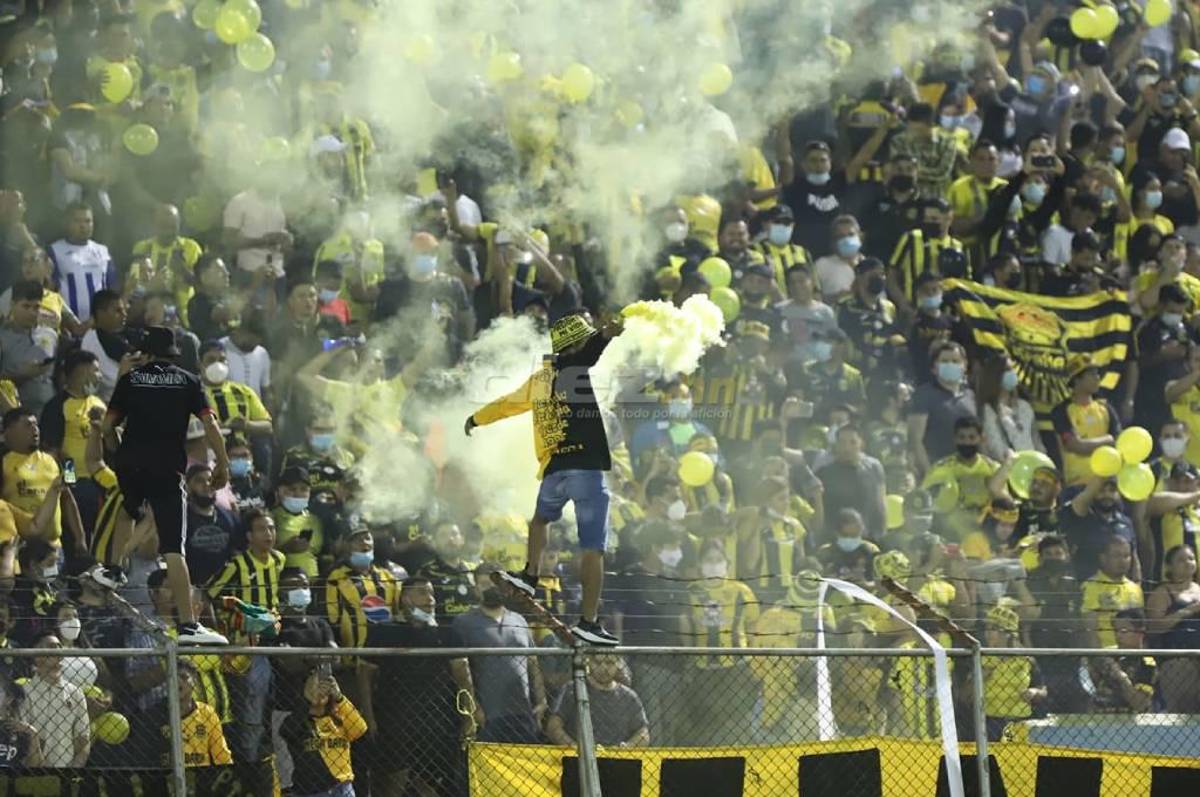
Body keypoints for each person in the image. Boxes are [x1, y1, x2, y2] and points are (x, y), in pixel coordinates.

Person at [466, 311, 624, 645]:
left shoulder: (539, 380)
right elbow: (588, 354)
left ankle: (530, 574)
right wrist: (606, 336)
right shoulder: (574, 368)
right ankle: (589, 621)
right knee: (593, 549)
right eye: (583, 338)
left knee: (540, 521)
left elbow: (507, 404)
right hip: (585, 469)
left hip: (555, 469)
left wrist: (477, 418)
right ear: (575, 345)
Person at [96, 326, 230, 644]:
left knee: (129, 508)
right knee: (173, 547)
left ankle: (113, 569)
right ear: (174, 353)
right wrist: (221, 463)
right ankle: (187, 625)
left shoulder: (130, 379)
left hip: (131, 462)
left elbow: (107, 425)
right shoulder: (188, 381)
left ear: (147, 351)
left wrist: (117, 447)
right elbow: (210, 423)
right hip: (166, 468)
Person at [358, 577, 473, 797]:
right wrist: (368, 715)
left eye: (431, 593)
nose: (430, 599)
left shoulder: (447, 634)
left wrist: (469, 715)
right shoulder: (385, 632)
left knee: (436, 784)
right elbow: (364, 675)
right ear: (406, 598)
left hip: (438, 721)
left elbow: (463, 678)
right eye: (422, 593)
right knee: (391, 783)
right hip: (393, 721)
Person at [450, 563, 547, 744]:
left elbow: (533, 663)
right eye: (485, 584)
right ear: (476, 589)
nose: (491, 589)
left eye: (496, 584)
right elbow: (460, 672)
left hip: (523, 714)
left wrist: (541, 701)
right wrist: (473, 709)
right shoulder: (463, 623)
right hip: (487, 717)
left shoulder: (519, 620)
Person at [281, 671, 367, 797]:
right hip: (313, 790)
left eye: (323, 685)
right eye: (314, 687)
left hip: (343, 786)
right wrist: (308, 701)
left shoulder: (340, 716)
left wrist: (340, 697)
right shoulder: (299, 722)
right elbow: (287, 731)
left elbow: (360, 729)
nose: (320, 690)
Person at [545, 653, 649, 748]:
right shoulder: (572, 689)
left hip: (617, 761)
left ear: (618, 664)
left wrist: (627, 747)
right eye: (598, 662)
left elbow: (643, 733)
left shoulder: (629, 697)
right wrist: (575, 748)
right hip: (577, 761)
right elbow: (553, 728)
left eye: (609, 663)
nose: (603, 668)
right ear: (588, 662)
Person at [18, 633, 90, 767]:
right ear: (37, 657)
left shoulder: (75, 693)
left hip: (68, 772)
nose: (58, 653)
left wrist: (71, 773)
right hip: (32, 771)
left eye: (59, 647)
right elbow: (24, 741)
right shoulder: (24, 692)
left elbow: (83, 740)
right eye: (52, 648)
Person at [1051, 357, 1121, 486]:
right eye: (1092, 374)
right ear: (1077, 379)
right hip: (1077, 483)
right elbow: (1075, 446)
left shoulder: (1105, 407)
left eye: (1098, 374)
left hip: (1107, 482)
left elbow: (1119, 442)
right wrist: (1107, 440)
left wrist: (1109, 441)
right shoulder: (1061, 411)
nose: (1098, 378)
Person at [1146, 545, 1200, 712]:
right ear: (1169, 566)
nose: (1188, 563)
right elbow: (1154, 627)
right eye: (1181, 560)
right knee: (1181, 712)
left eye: (1191, 558)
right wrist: (1187, 611)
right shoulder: (1163, 592)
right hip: (1177, 660)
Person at [47, 203, 115, 323]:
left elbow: (112, 288)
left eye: (88, 221)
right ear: (67, 223)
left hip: (99, 325)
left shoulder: (103, 251)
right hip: (67, 325)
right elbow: (51, 291)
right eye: (77, 221)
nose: (83, 226)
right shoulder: (55, 250)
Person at [1081, 536, 1145, 650]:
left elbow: (1140, 629)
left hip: (1134, 655)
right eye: (1116, 556)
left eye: (1126, 556)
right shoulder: (1091, 587)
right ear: (1103, 558)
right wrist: (1101, 661)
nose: (1122, 561)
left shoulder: (1135, 589)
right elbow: (1089, 631)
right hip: (1105, 654)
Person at [0, 280, 54, 413]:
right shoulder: (3, 337)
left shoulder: (50, 334)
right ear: (12, 305)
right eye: (26, 306)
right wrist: (22, 375)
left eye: (36, 307)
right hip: (17, 414)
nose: (31, 312)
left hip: (49, 411)